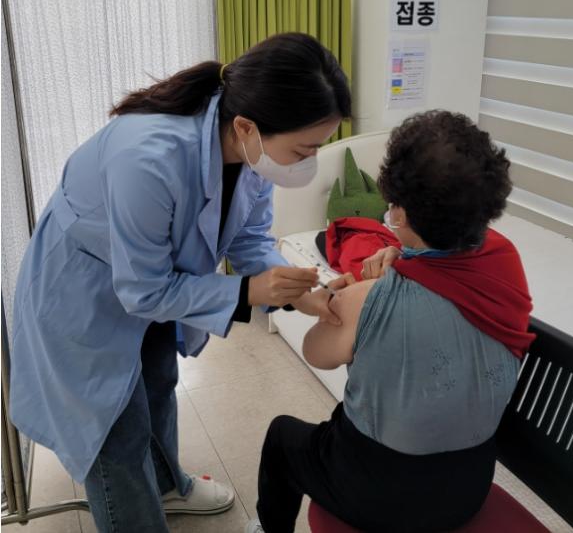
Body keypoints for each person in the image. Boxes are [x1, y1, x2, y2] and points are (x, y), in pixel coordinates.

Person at [9, 32, 351, 532]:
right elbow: (142, 290)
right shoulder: (148, 157)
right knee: (115, 432)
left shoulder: (253, 154)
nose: (308, 162)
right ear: (247, 126)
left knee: (157, 382)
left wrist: (303, 293)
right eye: (304, 149)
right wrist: (248, 292)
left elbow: (249, 237)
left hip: (156, 281)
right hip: (84, 290)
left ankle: (167, 486)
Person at [249, 110, 535, 533]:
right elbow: (447, 268)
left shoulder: (367, 297)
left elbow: (317, 353)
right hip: (468, 486)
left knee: (282, 437)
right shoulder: (506, 262)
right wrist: (403, 255)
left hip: (380, 497)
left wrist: (342, 300)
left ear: (399, 213)